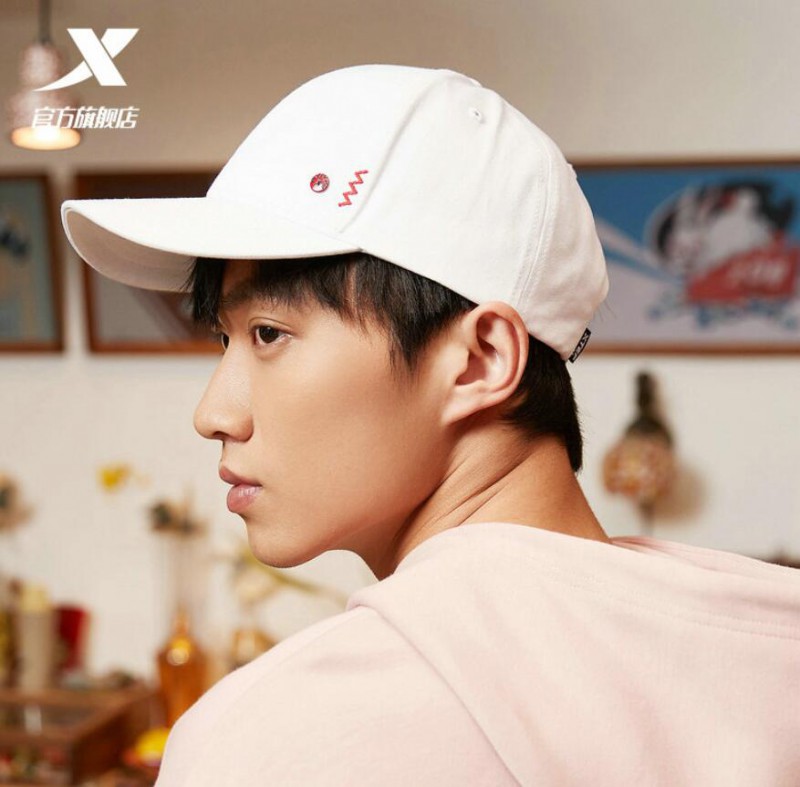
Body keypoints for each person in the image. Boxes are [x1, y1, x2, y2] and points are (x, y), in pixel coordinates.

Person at [61, 64, 799, 786]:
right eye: (225, 340)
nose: (213, 413)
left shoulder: (268, 741)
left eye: (269, 334)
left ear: (480, 360)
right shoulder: (766, 658)